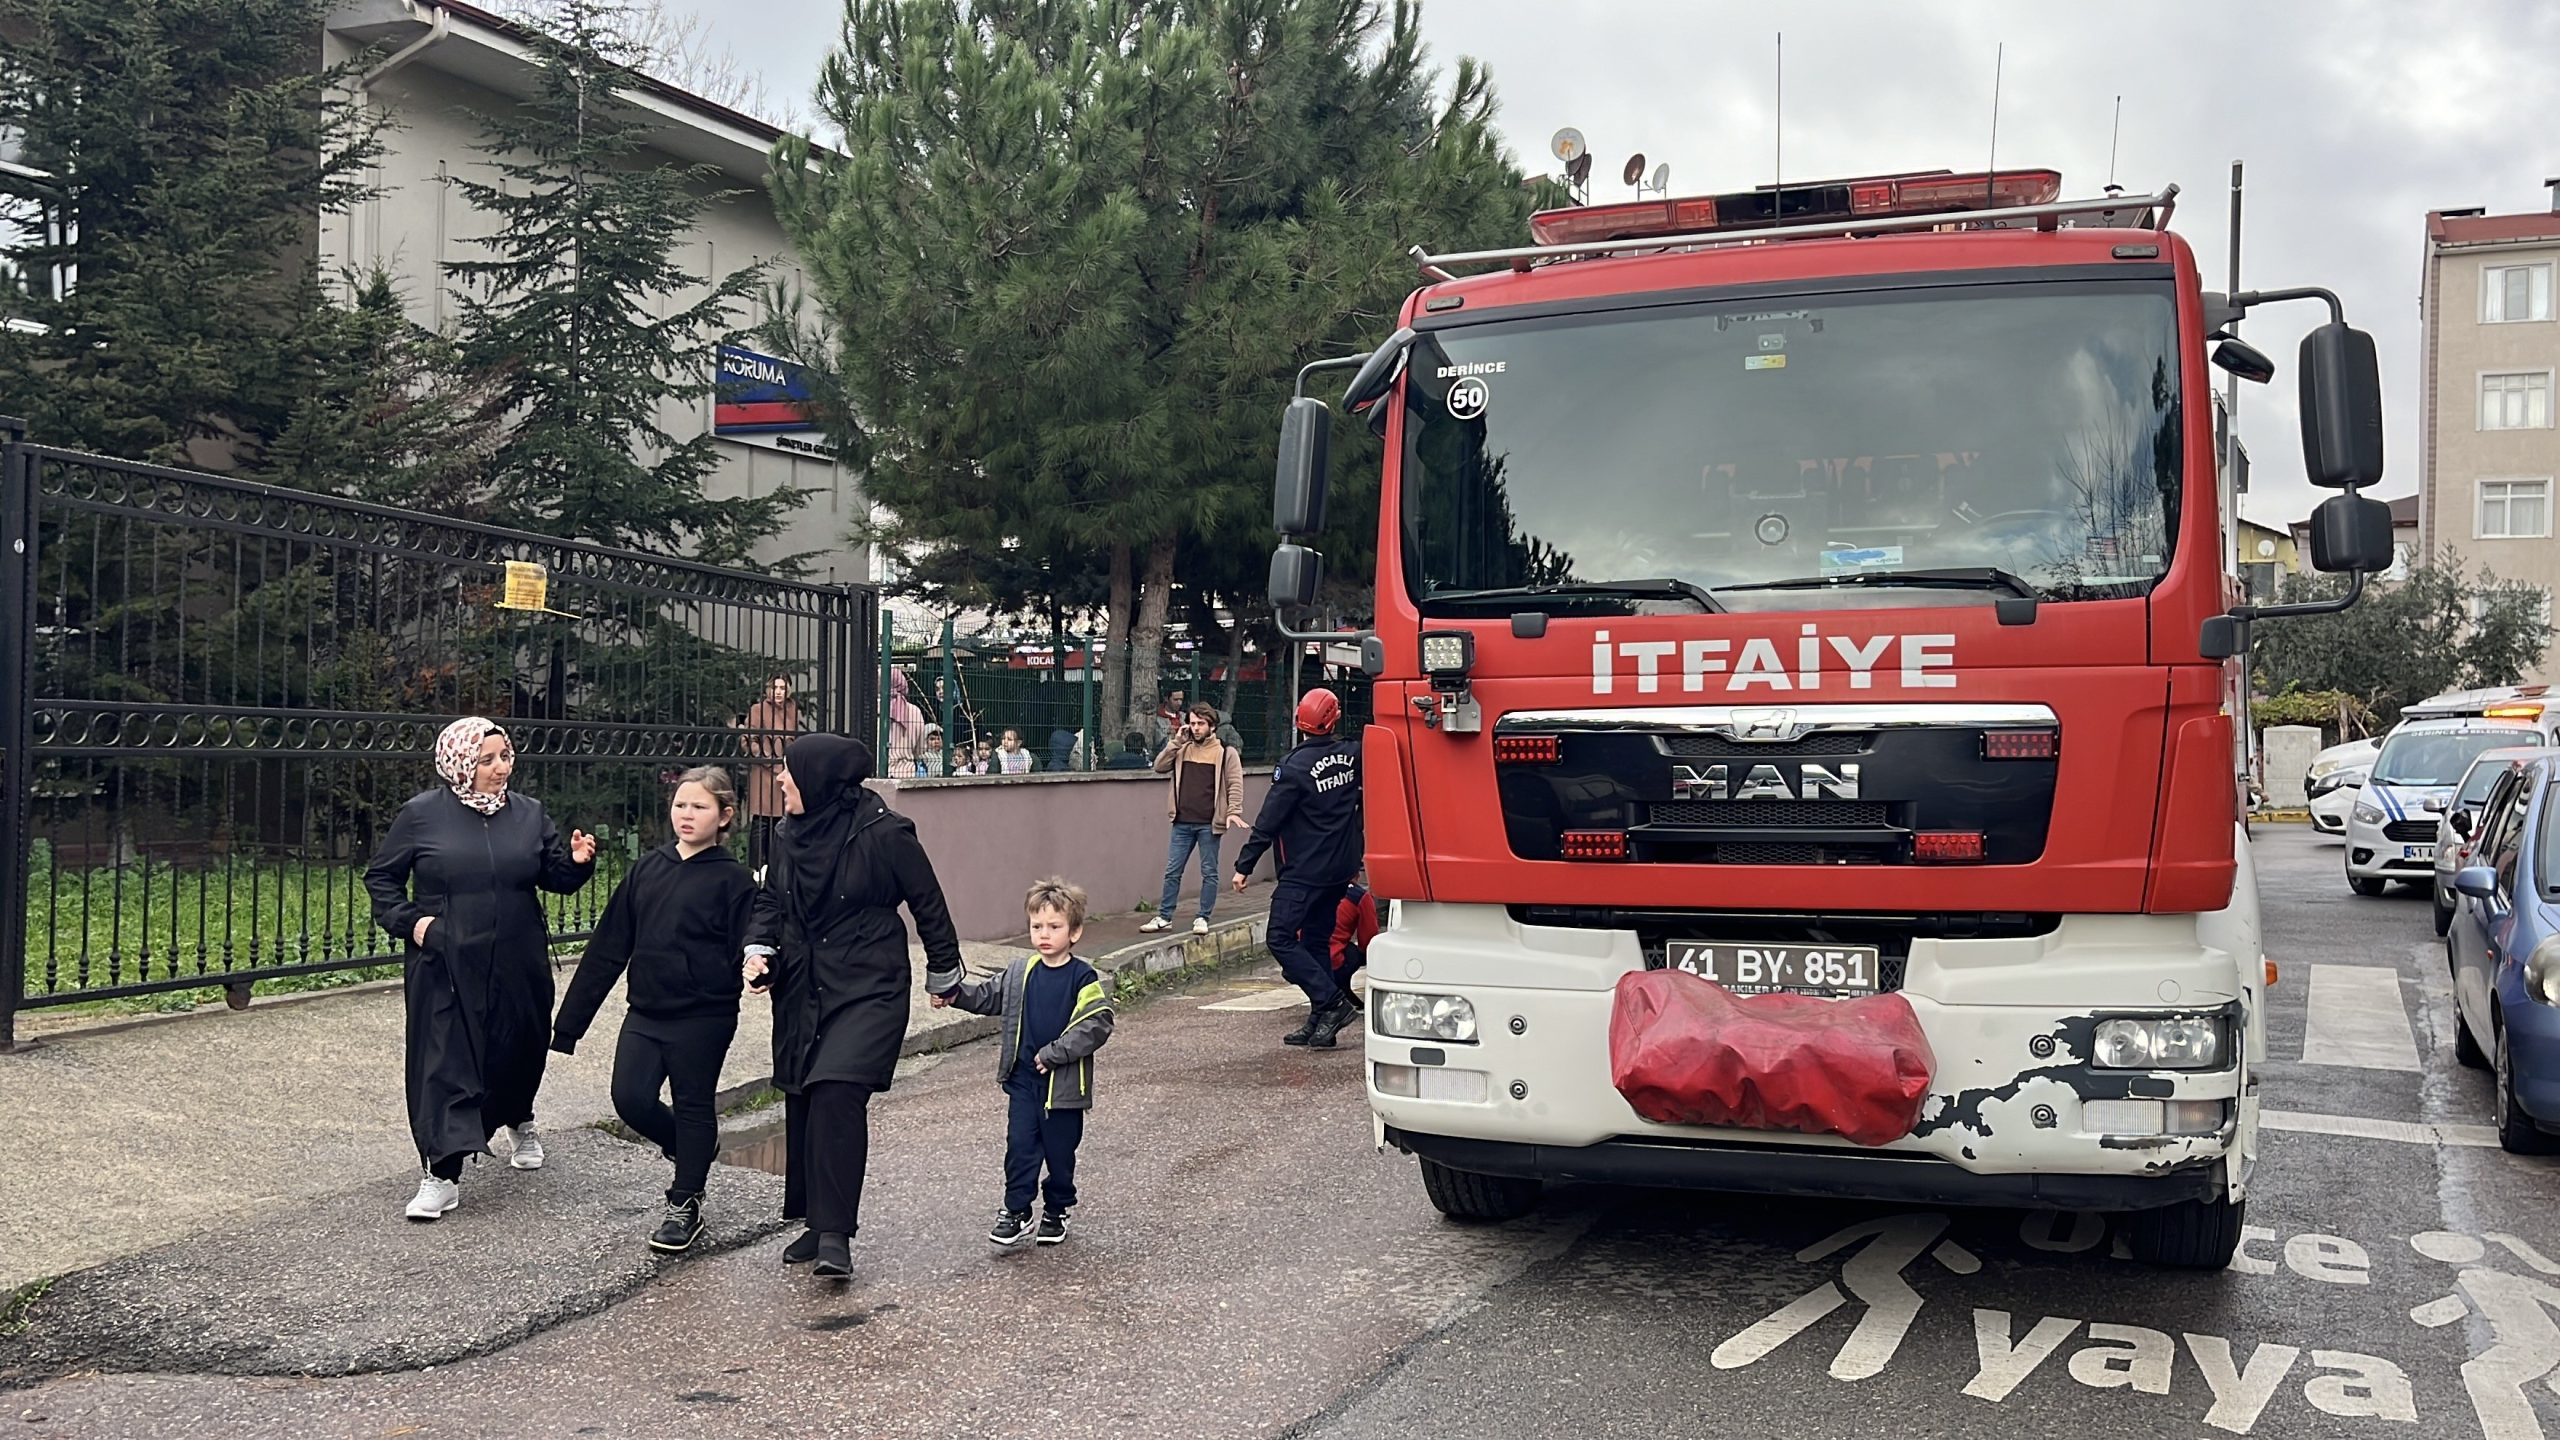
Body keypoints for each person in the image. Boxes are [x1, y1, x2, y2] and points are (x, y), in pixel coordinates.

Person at [742, 735, 964, 1279]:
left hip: (870, 984)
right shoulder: (788, 833)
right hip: (805, 984)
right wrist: (760, 950)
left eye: (788, 771)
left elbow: (928, 902)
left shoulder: (884, 833)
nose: (780, 779)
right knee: (804, 1095)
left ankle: (837, 1233)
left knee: (837, 1091)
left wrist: (945, 974)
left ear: (818, 779)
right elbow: (771, 900)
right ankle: (816, 1223)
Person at [365, 717, 597, 1222]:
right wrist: (414, 923)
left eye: (505, 757)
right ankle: (441, 1174)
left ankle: (519, 1117)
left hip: (518, 957)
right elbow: (382, 879)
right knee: (444, 1060)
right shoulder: (422, 815)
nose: (499, 768)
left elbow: (553, 876)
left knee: (519, 1046)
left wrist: (577, 863)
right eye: (486, 759)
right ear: (460, 762)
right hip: (447, 959)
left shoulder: (528, 814)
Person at [550, 766, 758, 1254]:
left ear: (725, 816)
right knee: (631, 1098)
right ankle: (695, 1152)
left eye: (700, 807)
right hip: (645, 1012)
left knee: (693, 1103)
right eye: (681, 805)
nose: (687, 815)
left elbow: (751, 945)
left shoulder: (734, 881)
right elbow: (607, 949)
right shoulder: (647, 868)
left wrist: (757, 973)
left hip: (704, 1015)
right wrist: (569, 1026)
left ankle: (684, 1201)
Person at [931, 877, 1114, 1246]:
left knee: (1060, 1155)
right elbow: (987, 997)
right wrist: (953, 994)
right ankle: (1016, 1211)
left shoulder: (1083, 976)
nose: (1044, 934)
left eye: (1054, 927)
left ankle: (1056, 1209)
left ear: (1074, 932)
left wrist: (1054, 1053)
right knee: (1019, 1149)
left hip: (1063, 1089)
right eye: (1037, 926)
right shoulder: (1020, 971)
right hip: (1024, 1083)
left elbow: (1098, 1023)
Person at [1231, 688, 1364, 1048]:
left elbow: (1269, 820)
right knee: (1317, 940)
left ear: (1298, 721)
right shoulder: (1354, 755)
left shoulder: (1294, 767)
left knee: (1280, 937)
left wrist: (1245, 865)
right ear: (1333, 719)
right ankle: (1321, 1022)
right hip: (1341, 868)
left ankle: (1331, 1003)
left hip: (1305, 870)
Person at [1142, 703, 1243, 936]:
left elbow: (1235, 784)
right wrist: (1176, 742)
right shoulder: (1183, 749)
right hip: (1182, 822)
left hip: (1209, 823)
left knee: (1209, 872)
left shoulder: (1226, 752)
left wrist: (1233, 812)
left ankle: (1203, 917)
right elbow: (1159, 767)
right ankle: (1164, 916)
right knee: (1172, 871)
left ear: (1212, 726)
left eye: (1201, 724)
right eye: (1193, 723)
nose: (1196, 728)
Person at [739, 676, 802, 875]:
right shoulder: (758, 710)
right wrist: (764, 757)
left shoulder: (792, 709)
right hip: (764, 772)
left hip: (784, 771)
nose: (778, 691)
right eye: (774, 687)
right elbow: (748, 738)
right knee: (761, 820)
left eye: (782, 688)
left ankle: (775, 866)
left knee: (780, 820)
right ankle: (756, 866)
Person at [885, 670, 929, 777]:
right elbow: (921, 749)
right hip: (907, 771)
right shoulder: (915, 711)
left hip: (881, 771)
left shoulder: (878, 709)